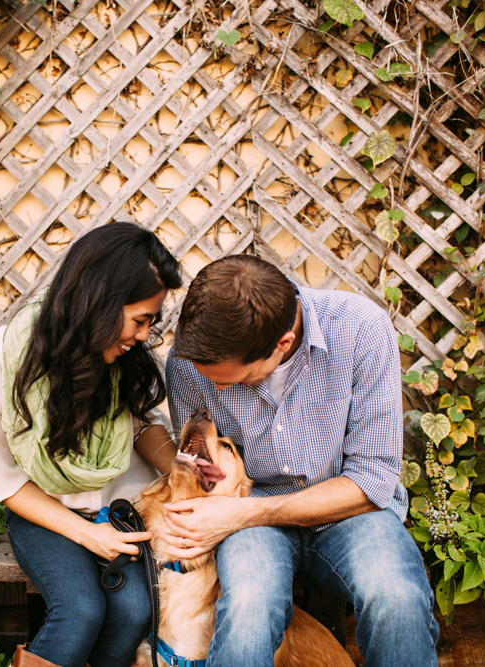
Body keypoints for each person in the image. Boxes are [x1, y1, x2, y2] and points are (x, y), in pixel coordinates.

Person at [161, 255, 439, 667]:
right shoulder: (191, 367)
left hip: (349, 511)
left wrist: (241, 513)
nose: (214, 387)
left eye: (231, 382)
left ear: (283, 345)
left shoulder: (361, 329)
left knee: (397, 596)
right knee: (248, 608)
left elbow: (372, 479)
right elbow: (202, 474)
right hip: (248, 520)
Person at [0, 222, 182, 667]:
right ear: (98, 302)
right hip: (46, 513)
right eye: (140, 319)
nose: (144, 335)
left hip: (120, 512)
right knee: (80, 610)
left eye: (151, 322)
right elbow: (5, 483)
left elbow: (141, 426)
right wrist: (87, 535)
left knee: (133, 611)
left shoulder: (122, 358)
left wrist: (182, 471)